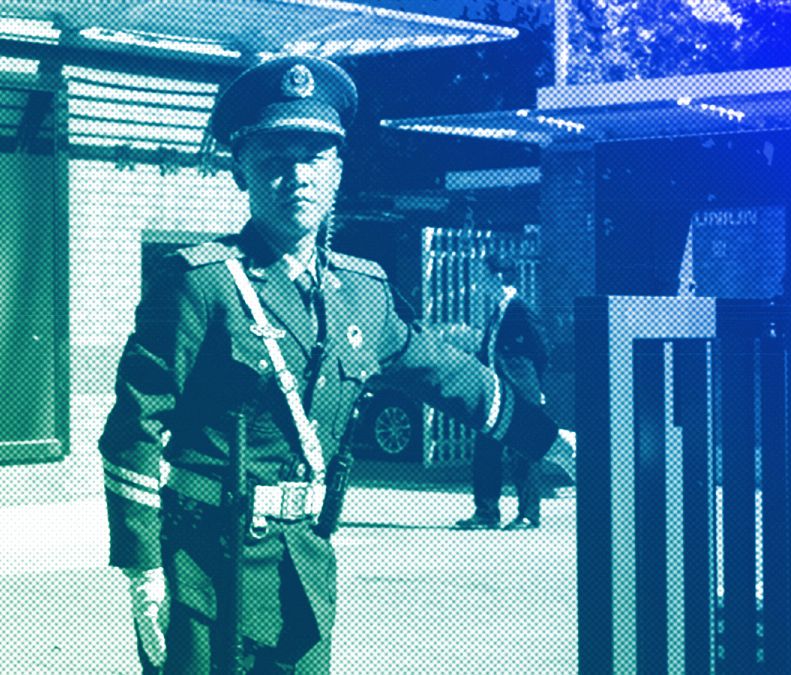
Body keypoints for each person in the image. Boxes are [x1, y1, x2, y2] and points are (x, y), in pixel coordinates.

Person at [99, 55, 575, 674]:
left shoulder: (362, 292)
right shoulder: (199, 284)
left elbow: (444, 373)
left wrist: (549, 439)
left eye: (315, 156)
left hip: (304, 564)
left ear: (338, 171)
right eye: (273, 159)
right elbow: (132, 430)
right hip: (208, 570)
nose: (296, 175)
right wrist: (145, 570)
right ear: (240, 172)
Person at [453, 254, 552, 531]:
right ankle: (486, 513)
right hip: (497, 393)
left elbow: (543, 350)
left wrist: (537, 388)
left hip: (521, 393)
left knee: (523, 452)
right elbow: (490, 352)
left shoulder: (520, 309)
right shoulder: (498, 311)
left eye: (481, 274)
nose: (477, 281)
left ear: (497, 276)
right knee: (486, 449)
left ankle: (529, 515)